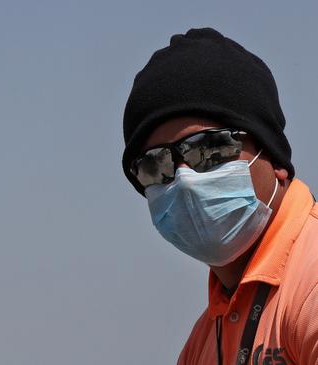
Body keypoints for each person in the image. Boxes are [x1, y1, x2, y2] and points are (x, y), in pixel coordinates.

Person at [122, 28, 318, 365]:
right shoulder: (201, 345)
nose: (184, 179)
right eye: (156, 165)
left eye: (210, 149)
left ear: (273, 159)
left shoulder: (310, 289)